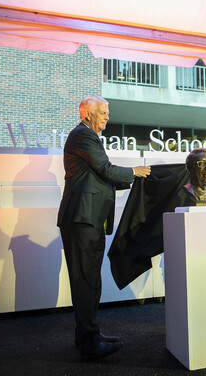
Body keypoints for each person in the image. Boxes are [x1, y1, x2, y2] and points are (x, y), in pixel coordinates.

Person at [57, 95, 151, 360]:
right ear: (87, 113)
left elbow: (100, 175)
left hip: (89, 219)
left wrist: (132, 178)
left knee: (90, 281)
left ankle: (88, 335)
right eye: (104, 112)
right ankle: (89, 342)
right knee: (86, 281)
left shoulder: (88, 137)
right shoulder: (82, 135)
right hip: (81, 219)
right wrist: (135, 172)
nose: (108, 117)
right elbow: (106, 169)